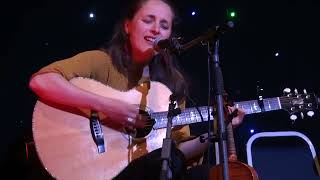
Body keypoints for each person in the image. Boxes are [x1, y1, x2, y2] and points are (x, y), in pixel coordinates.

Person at [29, 0, 245, 179]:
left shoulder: (173, 83)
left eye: (164, 25)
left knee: (204, 174)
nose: (155, 29)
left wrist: (220, 130)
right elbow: (41, 82)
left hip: (150, 169)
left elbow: (178, 152)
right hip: (104, 170)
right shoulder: (101, 62)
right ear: (128, 26)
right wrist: (108, 106)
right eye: (148, 20)